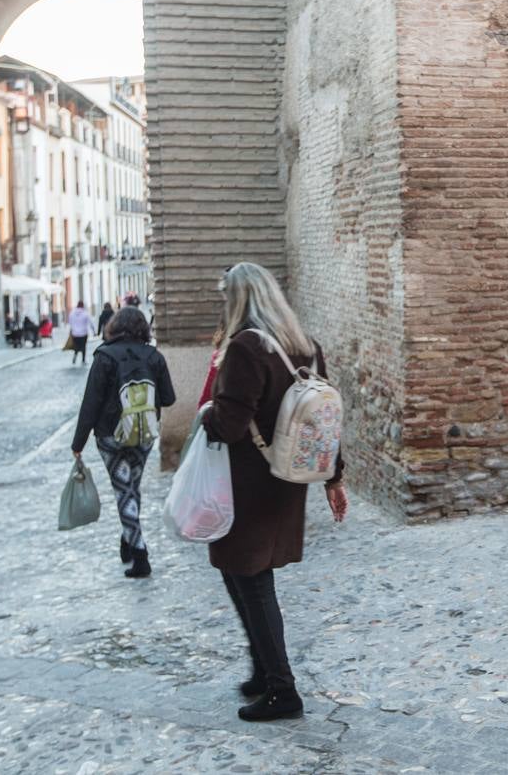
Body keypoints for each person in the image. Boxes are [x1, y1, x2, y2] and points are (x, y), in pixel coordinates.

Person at [200, 262, 348, 723]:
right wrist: (334, 477)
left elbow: (228, 423)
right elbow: (324, 420)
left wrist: (205, 412)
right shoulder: (305, 347)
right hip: (287, 481)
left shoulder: (246, 348)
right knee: (238, 574)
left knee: (254, 582)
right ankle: (263, 670)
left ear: (239, 299)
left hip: (250, 485)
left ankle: (282, 690)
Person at [71, 306, 176, 578]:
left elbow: (90, 403)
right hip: (143, 436)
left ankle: (140, 555)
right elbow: (168, 398)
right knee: (131, 488)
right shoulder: (154, 356)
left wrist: (78, 442)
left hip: (110, 437)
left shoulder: (104, 356)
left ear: (114, 327)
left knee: (123, 489)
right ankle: (127, 540)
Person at [68, 300, 93, 365]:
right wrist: (94, 331)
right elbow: (90, 322)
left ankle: (75, 355)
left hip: (75, 333)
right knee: (83, 346)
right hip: (83, 333)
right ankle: (83, 360)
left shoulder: (72, 313)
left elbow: (70, 322)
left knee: (76, 346)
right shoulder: (85, 313)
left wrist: (73, 329)